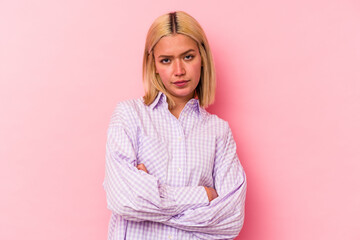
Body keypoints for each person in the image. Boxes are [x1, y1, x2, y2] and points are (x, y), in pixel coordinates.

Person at [103, 11, 247, 240]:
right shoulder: (129, 116)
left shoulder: (219, 132)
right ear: (154, 65)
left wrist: (151, 198)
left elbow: (230, 220)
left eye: (188, 57)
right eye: (166, 60)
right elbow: (125, 200)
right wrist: (203, 196)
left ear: (202, 57)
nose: (178, 70)